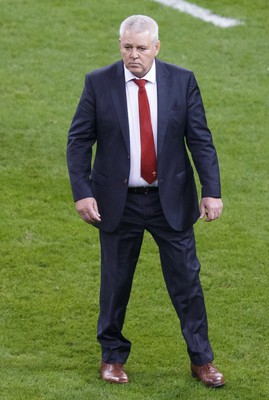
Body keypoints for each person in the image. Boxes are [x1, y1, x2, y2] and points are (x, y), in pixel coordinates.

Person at [66, 15, 225, 388]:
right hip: (117, 202)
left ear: (156, 47)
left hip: (170, 199)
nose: (133, 55)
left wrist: (211, 190)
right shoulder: (98, 82)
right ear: (119, 45)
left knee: (187, 283)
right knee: (116, 283)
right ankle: (112, 357)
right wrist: (83, 192)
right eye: (127, 47)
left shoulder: (181, 81)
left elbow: (199, 138)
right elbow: (78, 142)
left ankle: (202, 360)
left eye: (140, 48)